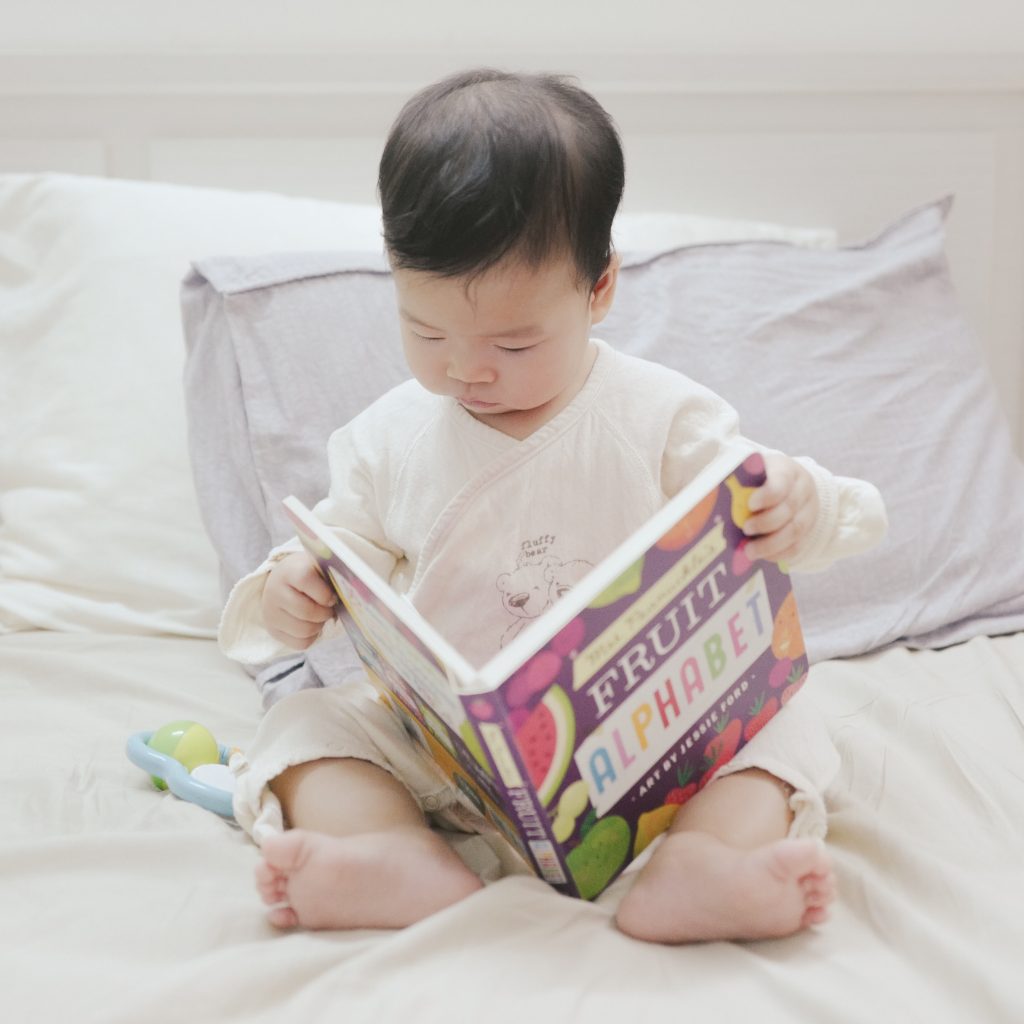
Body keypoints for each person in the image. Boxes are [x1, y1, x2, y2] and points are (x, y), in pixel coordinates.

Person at [218, 68, 887, 943]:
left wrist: (798, 505)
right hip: (452, 757)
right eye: (426, 332)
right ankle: (390, 854)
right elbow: (341, 559)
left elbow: (792, 508)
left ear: (598, 286)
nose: (467, 369)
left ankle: (706, 866)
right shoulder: (386, 440)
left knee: (787, 723)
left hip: (654, 749)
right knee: (301, 722)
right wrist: (293, 589)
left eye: (513, 339)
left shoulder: (662, 418)